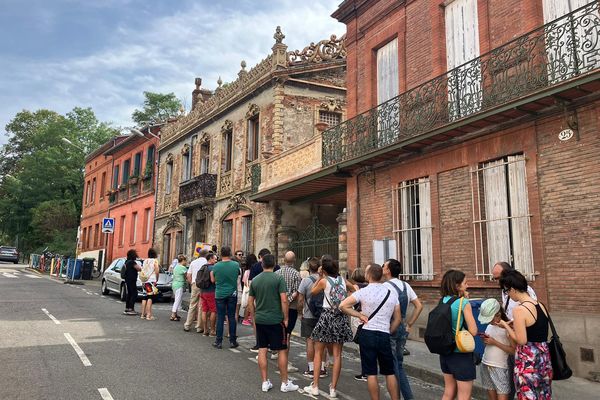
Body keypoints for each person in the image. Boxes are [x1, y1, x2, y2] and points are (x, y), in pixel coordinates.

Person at [340, 264, 402, 400]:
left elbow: (343, 305)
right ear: (380, 275)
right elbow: (398, 318)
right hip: (384, 333)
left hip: (368, 333)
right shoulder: (391, 293)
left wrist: (359, 315)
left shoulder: (363, 292)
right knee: (389, 372)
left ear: (368, 276)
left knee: (371, 373)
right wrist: (390, 330)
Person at [303, 256, 356, 398]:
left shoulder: (324, 281)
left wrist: (320, 276)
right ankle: (333, 388)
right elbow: (355, 288)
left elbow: (313, 292)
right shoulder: (343, 281)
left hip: (326, 316)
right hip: (341, 316)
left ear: (324, 270)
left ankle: (315, 386)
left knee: (318, 351)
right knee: (338, 354)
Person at [247, 254, 299, 393]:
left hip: (261, 319)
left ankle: (265, 382)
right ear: (274, 263)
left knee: (262, 349)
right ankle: (285, 382)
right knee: (282, 349)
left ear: (262, 264)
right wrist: (286, 317)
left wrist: (253, 316)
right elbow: (284, 300)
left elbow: (250, 301)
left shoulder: (256, 280)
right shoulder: (278, 278)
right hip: (276, 319)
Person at [498, 270, 551, 400]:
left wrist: (505, 326)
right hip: (544, 360)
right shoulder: (541, 305)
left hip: (528, 362)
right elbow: (537, 328)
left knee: (527, 395)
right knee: (543, 395)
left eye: (507, 291)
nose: (508, 294)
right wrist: (515, 324)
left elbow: (521, 340)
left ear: (513, 289)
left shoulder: (519, 310)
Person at [492, 261, 537, 400]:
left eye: (498, 278)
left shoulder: (525, 294)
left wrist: (508, 325)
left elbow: (529, 317)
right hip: (513, 339)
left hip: (524, 345)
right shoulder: (505, 291)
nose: (496, 281)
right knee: (513, 380)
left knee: (526, 387)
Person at [383, 259, 423, 399]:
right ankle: (407, 396)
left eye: (384, 266)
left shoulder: (385, 286)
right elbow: (419, 306)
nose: (382, 268)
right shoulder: (406, 286)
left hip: (390, 326)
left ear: (388, 270)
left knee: (392, 366)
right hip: (403, 327)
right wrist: (410, 324)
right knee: (399, 364)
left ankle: (398, 396)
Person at [439, 269, 478, 400]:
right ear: (457, 286)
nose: (467, 286)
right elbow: (473, 331)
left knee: (448, 392)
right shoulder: (464, 303)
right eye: (465, 283)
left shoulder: (443, 300)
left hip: (446, 352)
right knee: (464, 396)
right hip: (460, 353)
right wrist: (465, 301)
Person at [478, 298, 515, 400]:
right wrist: (486, 341)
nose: (489, 322)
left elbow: (513, 350)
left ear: (498, 315)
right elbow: (489, 345)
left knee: (502, 394)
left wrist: (494, 342)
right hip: (485, 364)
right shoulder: (490, 326)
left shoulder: (508, 328)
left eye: (490, 319)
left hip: (499, 366)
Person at [297, 257, 327, 378]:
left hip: (309, 315)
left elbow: (300, 300)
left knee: (310, 341)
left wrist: (300, 313)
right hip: (322, 314)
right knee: (322, 341)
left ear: (309, 268)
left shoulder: (305, 281)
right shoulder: (325, 280)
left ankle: (311, 368)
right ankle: (322, 368)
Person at [275, 251, 302, 373]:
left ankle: (280, 358)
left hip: (278, 307)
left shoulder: (277, 273)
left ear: (283, 260)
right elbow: (297, 292)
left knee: (280, 333)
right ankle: (284, 361)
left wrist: (283, 301)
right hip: (291, 308)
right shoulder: (297, 274)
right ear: (294, 260)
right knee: (287, 334)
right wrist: (289, 300)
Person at [211, 246, 240, 349]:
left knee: (220, 317)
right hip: (232, 293)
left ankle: (218, 341)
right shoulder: (236, 264)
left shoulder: (216, 266)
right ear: (230, 253)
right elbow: (237, 275)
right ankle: (233, 341)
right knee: (231, 317)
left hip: (219, 294)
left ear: (221, 254)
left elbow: (213, 280)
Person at [184, 249, 208, 332]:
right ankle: (199, 326)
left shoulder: (193, 262)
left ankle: (187, 324)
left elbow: (188, 275)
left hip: (195, 284)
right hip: (204, 286)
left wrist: (191, 283)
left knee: (192, 304)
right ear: (206, 255)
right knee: (201, 306)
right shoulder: (207, 262)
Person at [140, 248, 160, 321]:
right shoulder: (155, 261)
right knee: (150, 297)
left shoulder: (145, 261)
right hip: (151, 280)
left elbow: (143, 270)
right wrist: (157, 279)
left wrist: (143, 281)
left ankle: (142, 314)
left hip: (145, 280)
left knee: (144, 297)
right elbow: (157, 271)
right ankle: (149, 315)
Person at [201, 253, 218, 336]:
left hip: (203, 291)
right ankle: (212, 330)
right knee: (213, 311)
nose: (216, 260)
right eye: (215, 259)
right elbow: (213, 280)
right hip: (211, 291)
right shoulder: (212, 268)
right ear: (210, 259)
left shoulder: (203, 267)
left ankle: (205, 329)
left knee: (204, 310)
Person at [241, 253, 258, 326]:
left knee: (250, 304)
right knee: (249, 305)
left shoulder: (246, 271)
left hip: (248, 289)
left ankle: (248, 318)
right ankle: (245, 319)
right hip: (251, 289)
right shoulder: (255, 269)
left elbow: (244, 282)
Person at [170, 254, 188, 321]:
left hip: (174, 284)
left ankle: (176, 314)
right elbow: (186, 276)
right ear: (183, 260)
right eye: (185, 261)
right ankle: (173, 315)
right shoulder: (183, 268)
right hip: (179, 284)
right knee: (177, 300)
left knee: (176, 299)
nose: (186, 262)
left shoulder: (176, 267)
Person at [123, 249, 141, 315]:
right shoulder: (132, 262)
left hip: (127, 279)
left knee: (130, 294)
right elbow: (139, 269)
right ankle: (131, 309)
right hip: (132, 280)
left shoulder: (126, 261)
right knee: (134, 294)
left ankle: (127, 308)